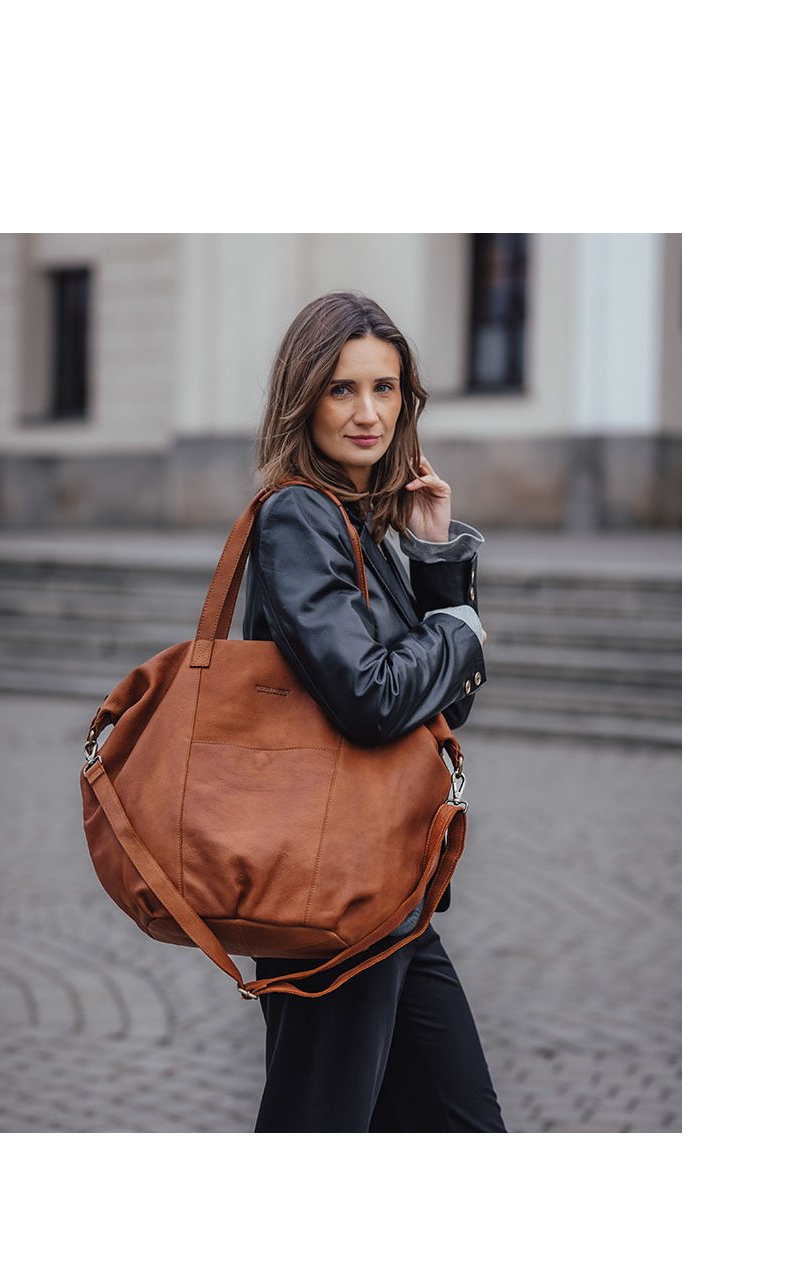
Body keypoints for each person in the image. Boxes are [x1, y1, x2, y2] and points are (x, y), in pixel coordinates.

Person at [241, 290, 508, 1133]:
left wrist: (434, 561)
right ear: (304, 398)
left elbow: (444, 706)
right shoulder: (298, 516)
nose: (368, 413)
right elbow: (370, 696)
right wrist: (458, 626)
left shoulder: (359, 525)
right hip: (329, 899)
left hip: (387, 892)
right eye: (342, 389)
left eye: (384, 387)